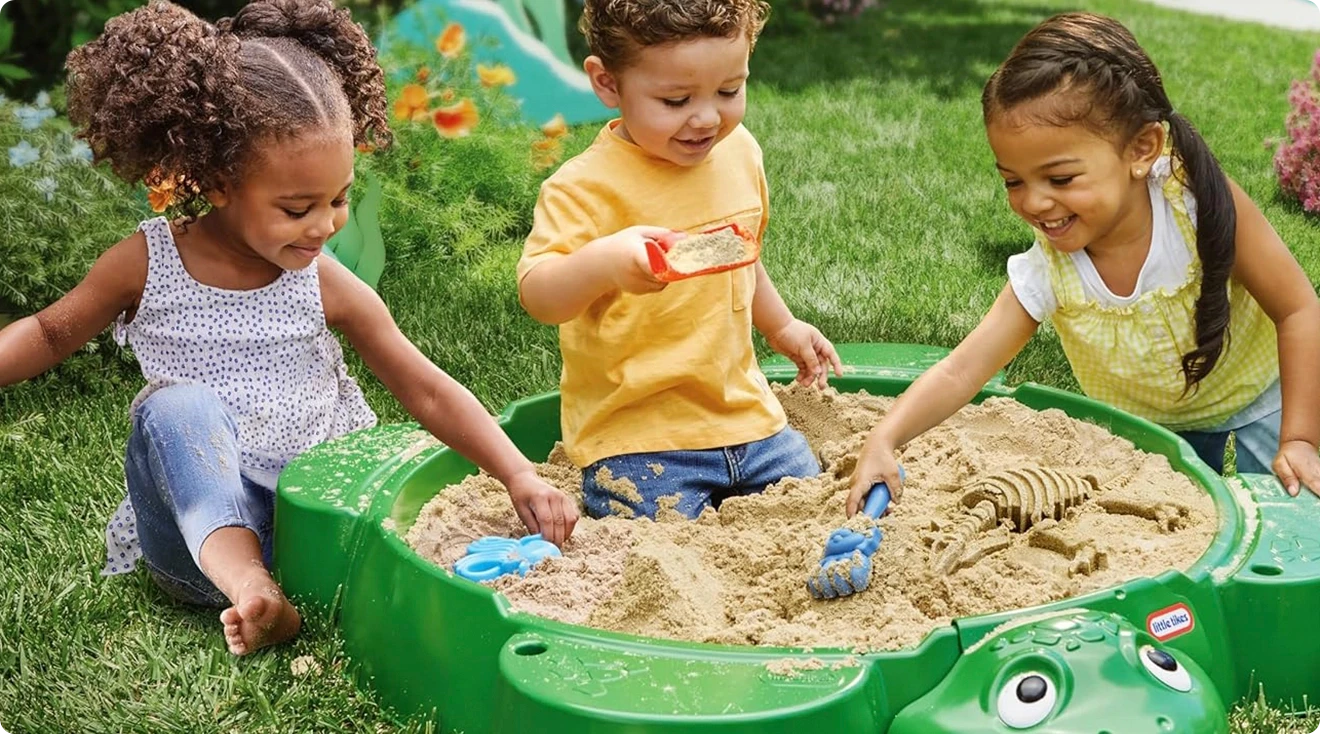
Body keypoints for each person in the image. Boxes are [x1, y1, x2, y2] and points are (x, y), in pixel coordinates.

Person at [0, 0, 577, 656]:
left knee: (377, 469)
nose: (325, 225)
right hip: (200, 546)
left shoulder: (321, 281)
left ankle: (285, 585)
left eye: (339, 199)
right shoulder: (147, 263)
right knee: (175, 409)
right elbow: (48, 333)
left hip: (316, 525)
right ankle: (253, 590)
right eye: (297, 208)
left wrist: (517, 472)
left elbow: (426, 389)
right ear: (217, 183)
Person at [848, 12, 1320, 514]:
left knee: (1291, 518)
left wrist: (1299, 439)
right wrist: (885, 437)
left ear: (1142, 149)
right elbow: (963, 370)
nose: (1033, 203)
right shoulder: (1052, 268)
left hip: (1259, 401)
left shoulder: (1196, 205)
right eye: (1013, 181)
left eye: (1061, 178)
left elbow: (1298, 311)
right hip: (1149, 432)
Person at [517, 0, 843, 521]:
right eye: (675, 99)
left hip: (748, 422)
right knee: (656, 536)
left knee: (813, 507)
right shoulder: (583, 189)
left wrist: (782, 327)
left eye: (730, 91)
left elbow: (739, 257)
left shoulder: (739, 155)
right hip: (637, 438)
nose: (708, 117)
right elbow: (539, 294)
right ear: (607, 84)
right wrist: (604, 262)